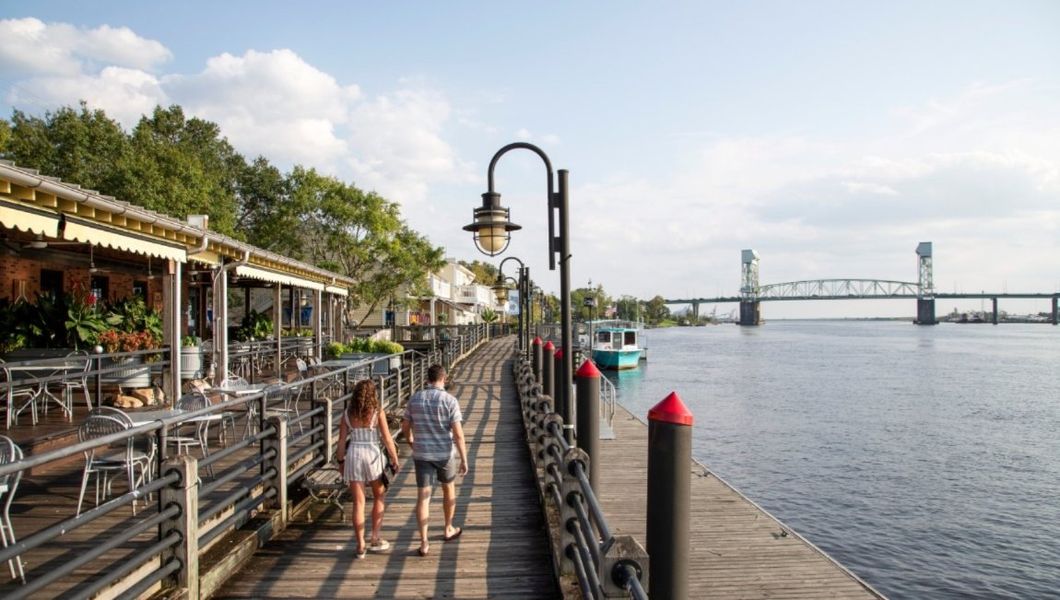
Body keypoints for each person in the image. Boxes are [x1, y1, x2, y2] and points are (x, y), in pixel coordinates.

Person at [402, 364, 468, 557]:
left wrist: (410, 440)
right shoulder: (450, 401)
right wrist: (464, 459)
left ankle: (424, 541)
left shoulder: (415, 399)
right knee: (449, 489)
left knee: (423, 497)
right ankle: (448, 527)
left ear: (427, 379)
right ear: (444, 378)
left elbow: (405, 425)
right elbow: (458, 434)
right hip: (444, 454)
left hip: (422, 453)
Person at [337, 379, 400, 559]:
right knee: (379, 495)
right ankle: (375, 536)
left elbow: (341, 441)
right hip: (372, 455)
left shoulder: (347, 415)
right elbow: (387, 438)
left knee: (359, 502)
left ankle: (360, 545)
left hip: (354, 454)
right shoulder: (377, 412)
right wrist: (394, 458)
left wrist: (340, 461)